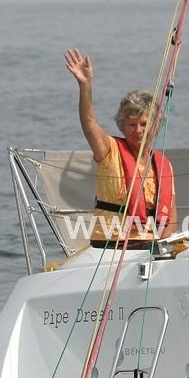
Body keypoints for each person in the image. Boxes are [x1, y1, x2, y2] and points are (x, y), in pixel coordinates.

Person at [65, 48, 177, 246]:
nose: (138, 130)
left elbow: (171, 219)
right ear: (122, 126)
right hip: (112, 244)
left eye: (144, 124)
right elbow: (89, 125)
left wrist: (160, 246)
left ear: (155, 126)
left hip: (151, 247)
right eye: (132, 125)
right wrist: (85, 86)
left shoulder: (163, 164)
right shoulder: (109, 150)